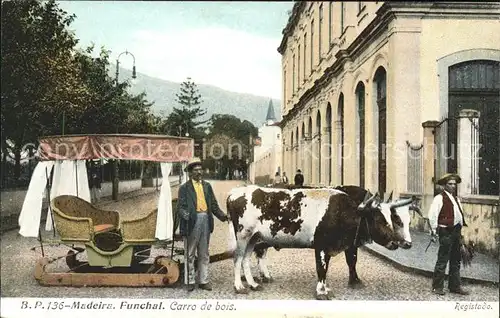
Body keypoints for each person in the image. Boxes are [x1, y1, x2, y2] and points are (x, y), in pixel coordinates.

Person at [177, 157, 229, 292]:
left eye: (200, 169)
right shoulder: (184, 188)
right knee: (190, 253)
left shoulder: (207, 186)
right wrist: (185, 215)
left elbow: (213, 205)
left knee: (204, 253)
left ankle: (203, 280)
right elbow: (180, 207)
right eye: (195, 170)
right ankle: (190, 281)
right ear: (189, 173)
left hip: (205, 219)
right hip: (192, 222)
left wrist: (223, 216)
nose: (199, 172)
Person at [428, 173, 469, 296]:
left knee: (456, 260)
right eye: (450, 184)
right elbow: (432, 216)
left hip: (456, 232)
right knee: (443, 259)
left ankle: (454, 286)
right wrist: (433, 232)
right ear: (445, 185)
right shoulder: (439, 198)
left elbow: (459, 216)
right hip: (446, 232)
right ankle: (437, 287)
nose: (453, 186)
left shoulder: (456, 199)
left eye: (454, 184)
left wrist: (461, 231)